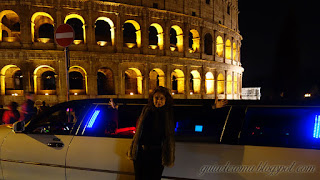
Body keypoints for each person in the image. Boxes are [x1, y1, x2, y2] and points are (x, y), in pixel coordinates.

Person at [126, 86, 228, 179]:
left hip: (158, 154)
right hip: (141, 153)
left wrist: (213, 106)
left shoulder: (171, 112)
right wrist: (116, 106)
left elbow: (193, 112)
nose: (158, 101)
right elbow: (130, 109)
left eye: (161, 98)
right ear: (152, 98)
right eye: (156, 98)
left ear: (166, 99)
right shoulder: (146, 110)